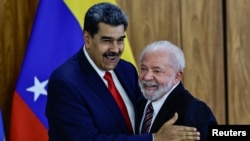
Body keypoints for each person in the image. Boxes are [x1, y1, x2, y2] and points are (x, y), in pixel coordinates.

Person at [45, 2, 200, 141]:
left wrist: (198, 114)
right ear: (87, 39)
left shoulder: (126, 69)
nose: (115, 49)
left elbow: (149, 108)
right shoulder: (65, 82)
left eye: (120, 40)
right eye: (107, 41)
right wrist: (154, 139)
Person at [138, 40, 217, 141]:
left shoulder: (194, 110)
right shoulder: (139, 102)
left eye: (157, 71)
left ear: (177, 76)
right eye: (143, 69)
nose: (147, 77)